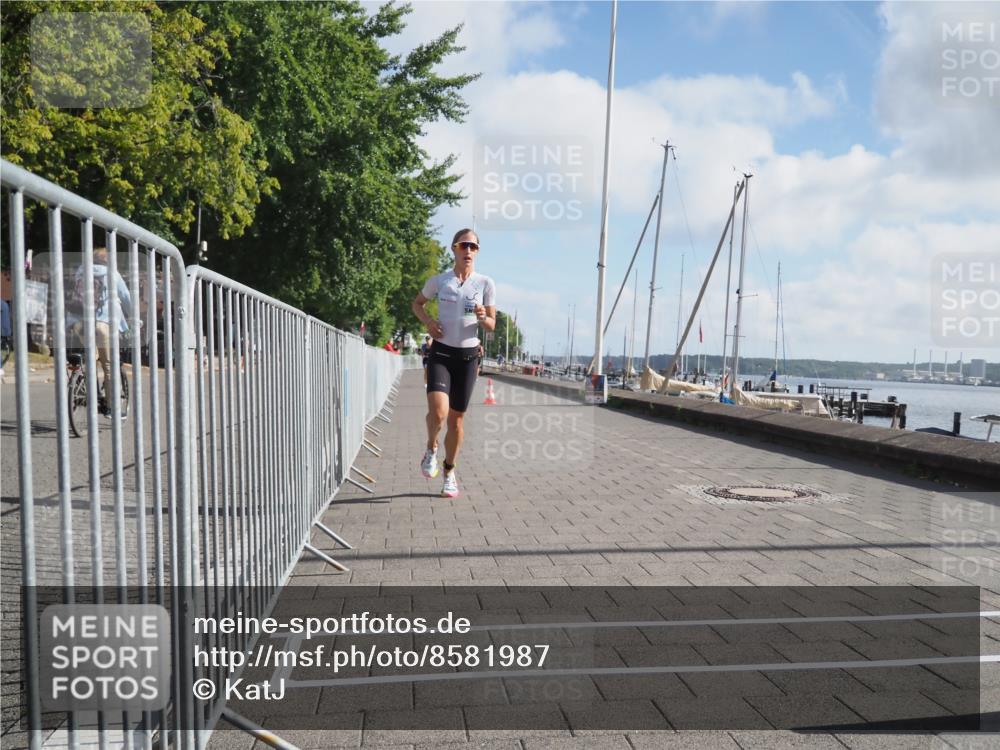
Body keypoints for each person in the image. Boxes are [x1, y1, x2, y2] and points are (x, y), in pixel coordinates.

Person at [411, 228, 496, 498]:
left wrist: (484, 318)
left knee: (457, 422)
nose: (468, 251)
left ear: (478, 251)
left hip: (468, 358)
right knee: (439, 413)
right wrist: (429, 322)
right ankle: (431, 448)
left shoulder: (485, 284)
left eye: (473, 247)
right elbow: (417, 304)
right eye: (464, 245)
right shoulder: (440, 281)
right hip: (442, 354)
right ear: (454, 249)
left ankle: (449, 471)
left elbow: (492, 326)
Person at [74, 247, 132, 416]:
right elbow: (126, 297)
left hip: (82, 323)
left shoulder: (81, 271)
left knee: (90, 360)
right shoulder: (113, 274)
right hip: (104, 323)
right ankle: (110, 407)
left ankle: (81, 386)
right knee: (109, 365)